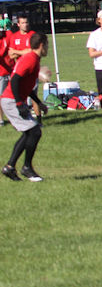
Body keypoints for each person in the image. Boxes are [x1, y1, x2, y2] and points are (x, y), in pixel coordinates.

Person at [1, 32, 49, 181]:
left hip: (13, 99)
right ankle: (26, 168)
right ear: (41, 45)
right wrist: (18, 103)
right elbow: (15, 80)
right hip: (11, 100)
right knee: (34, 131)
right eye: (47, 45)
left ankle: (10, 167)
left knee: (30, 133)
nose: (47, 48)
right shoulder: (30, 59)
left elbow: (26, 85)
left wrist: (38, 102)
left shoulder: (34, 59)